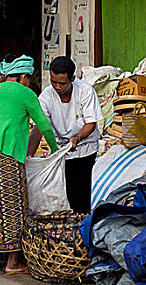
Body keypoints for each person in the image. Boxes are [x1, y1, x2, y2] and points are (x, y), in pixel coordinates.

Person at [0, 54, 58, 273]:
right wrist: (55, 151)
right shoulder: (26, 93)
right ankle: (12, 262)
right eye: (30, 78)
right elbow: (44, 126)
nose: (30, 82)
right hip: (7, 155)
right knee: (14, 205)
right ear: (24, 76)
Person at [27, 56, 103, 214]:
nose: (57, 87)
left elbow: (91, 124)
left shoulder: (86, 91)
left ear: (72, 79)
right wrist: (28, 155)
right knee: (64, 197)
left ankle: (81, 228)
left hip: (85, 149)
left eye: (62, 83)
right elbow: (39, 128)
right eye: (53, 82)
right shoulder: (46, 97)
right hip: (61, 151)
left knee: (82, 194)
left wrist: (77, 138)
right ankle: (69, 231)